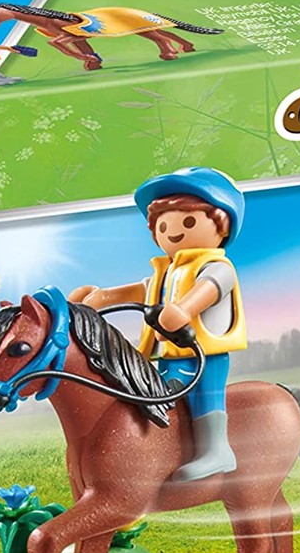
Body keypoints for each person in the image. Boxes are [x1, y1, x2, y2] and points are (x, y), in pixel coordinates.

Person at [71, 167, 247, 481]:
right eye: (163, 225)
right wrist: (102, 297)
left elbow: (208, 290)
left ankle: (217, 450)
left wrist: (183, 310)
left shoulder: (217, 268)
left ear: (222, 225)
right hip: (168, 356)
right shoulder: (165, 273)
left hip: (203, 357)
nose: (172, 232)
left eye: (188, 222)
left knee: (204, 396)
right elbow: (140, 290)